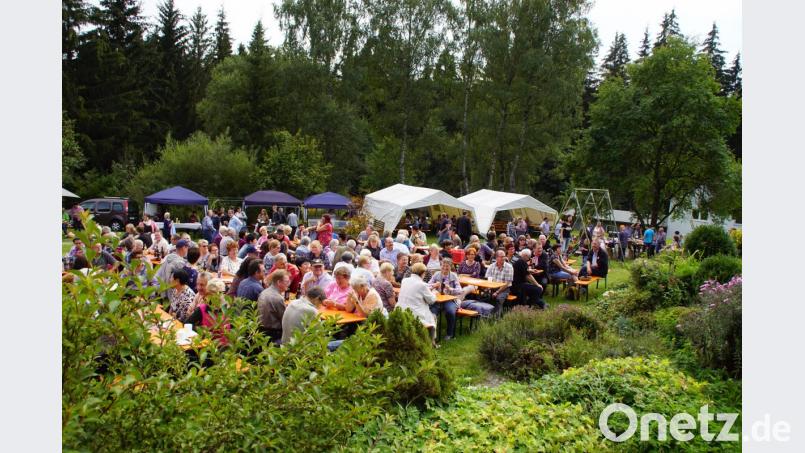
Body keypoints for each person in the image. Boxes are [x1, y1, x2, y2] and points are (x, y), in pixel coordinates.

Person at [396, 263, 439, 346]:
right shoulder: (421, 285)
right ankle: (431, 343)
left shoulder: (405, 280)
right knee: (433, 317)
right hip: (415, 313)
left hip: (401, 310)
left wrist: (431, 287)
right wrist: (434, 292)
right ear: (422, 273)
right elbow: (431, 300)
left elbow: (417, 287)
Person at [186, 277, 231, 346]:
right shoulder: (202, 309)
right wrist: (202, 332)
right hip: (208, 347)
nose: (204, 297)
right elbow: (187, 323)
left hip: (225, 348)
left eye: (222, 293)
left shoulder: (226, 308)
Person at [257, 270, 289, 343]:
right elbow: (285, 320)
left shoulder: (264, 292)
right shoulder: (278, 298)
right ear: (279, 282)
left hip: (261, 330)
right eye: (286, 282)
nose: (288, 284)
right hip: (273, 334)